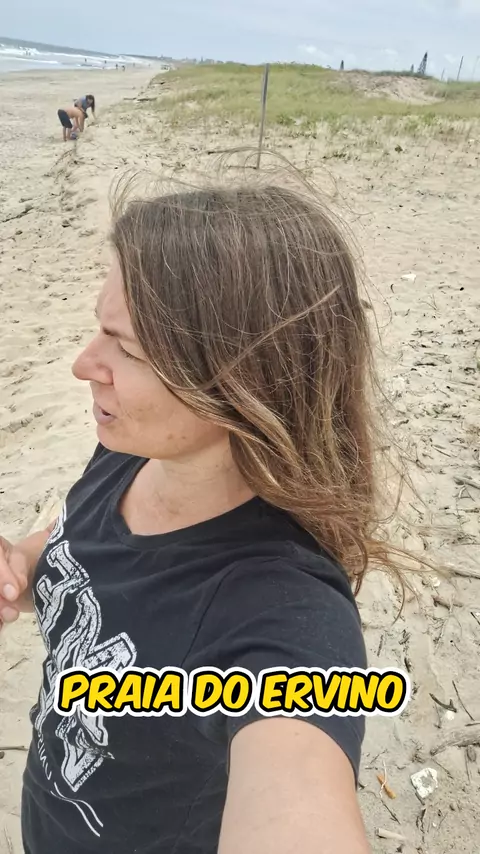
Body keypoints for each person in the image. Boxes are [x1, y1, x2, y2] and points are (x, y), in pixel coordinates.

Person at [0, 181, 399, 854]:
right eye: (99, 329)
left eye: (126, 349)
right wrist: (20, 564)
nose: (83, 365)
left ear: (240, 381)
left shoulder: (283, 616)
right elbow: (82, 552)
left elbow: (297, 793)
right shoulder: (129, 453)